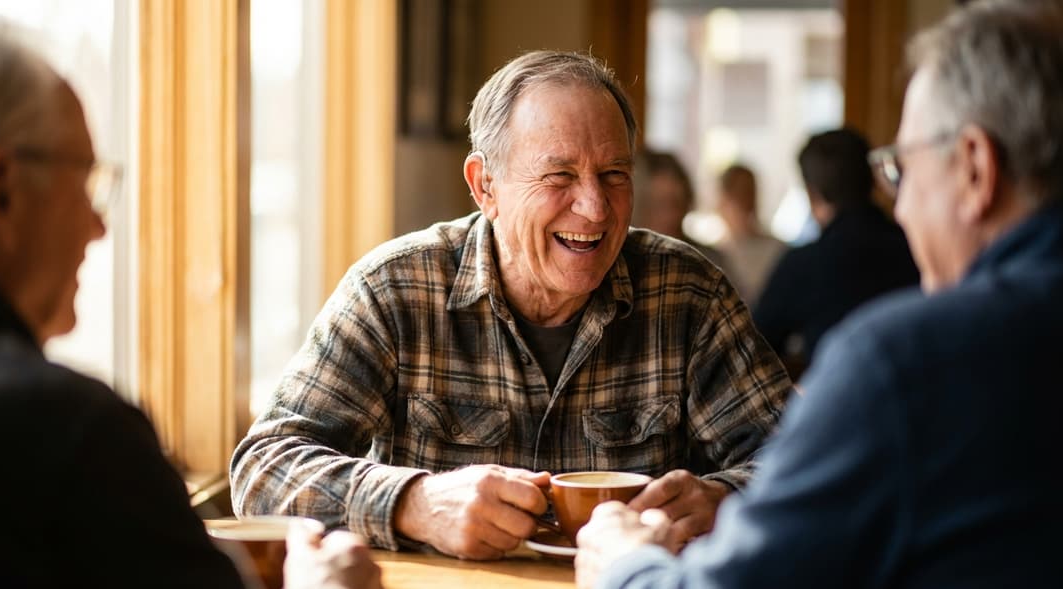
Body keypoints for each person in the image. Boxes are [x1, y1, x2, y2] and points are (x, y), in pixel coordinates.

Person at [575, 0, 1063, 587]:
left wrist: (625, 563)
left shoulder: (903, 365)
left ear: (974, 168)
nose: (902, 207)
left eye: (901, 171)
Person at [231, 50, 792, 561]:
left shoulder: (688, 293)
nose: (595, 209)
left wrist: (723, 499)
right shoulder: (395, 290)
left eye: (614, 175)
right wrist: (414, 502)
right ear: (485, 186)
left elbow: (803, 467)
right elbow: (261, 472)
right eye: (560, 176)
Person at [0, 26, 379, 589]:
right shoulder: (73, 431)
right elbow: (268, 462)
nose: (99, 226)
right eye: (86, 181)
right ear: (3, 185)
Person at [752, 128, 919, 379]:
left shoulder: (804, 264)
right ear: (873, 180)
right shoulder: (916, 247)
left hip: (835, 405)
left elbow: (752, 349)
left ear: (812, 194)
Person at [632, 148, 728, 269]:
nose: (671, 217)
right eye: (660, 205)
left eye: (677, 204)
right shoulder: (622, 262)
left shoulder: (708, 261)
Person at [711, 164, 784, 306]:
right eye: (736, 193)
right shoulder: (716, 256)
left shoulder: (778, 250)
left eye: (747, 192)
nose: (743, 202)